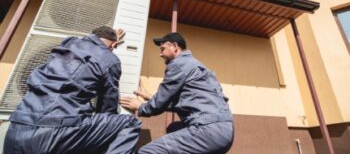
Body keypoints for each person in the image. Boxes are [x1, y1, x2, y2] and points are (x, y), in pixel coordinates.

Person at [4, 26, 142, 154]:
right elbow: (107, 107)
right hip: (53, 132)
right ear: (113, 45)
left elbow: (87, 44)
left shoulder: (68, 44)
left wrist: (107, 42)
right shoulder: (110, 59)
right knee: (130, 123)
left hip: (16, 127)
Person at [120, 32, 234, 154]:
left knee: (147, 152)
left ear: (174, 46)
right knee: (173, 128)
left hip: (207, 130)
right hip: (225, 131)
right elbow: (187, 102)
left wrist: (141, 107)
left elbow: (157, 105)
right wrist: (150, 97)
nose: (160, 54)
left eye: (163, 49)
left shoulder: (179, 64)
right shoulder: (196, 65)